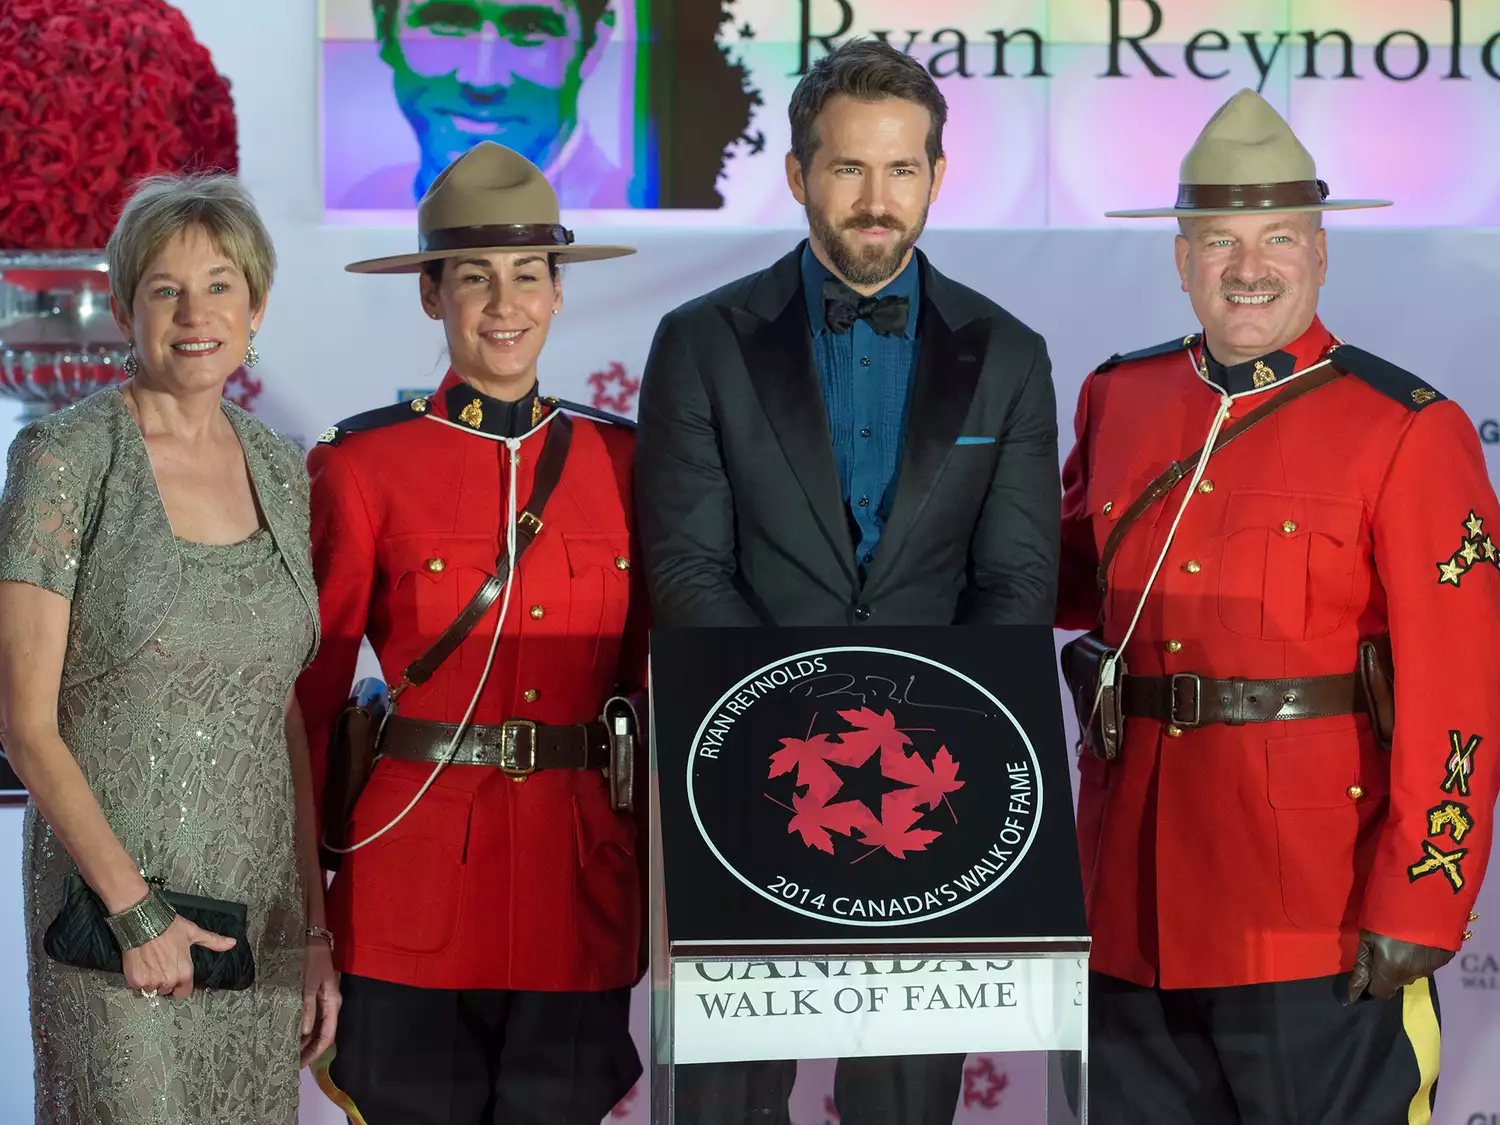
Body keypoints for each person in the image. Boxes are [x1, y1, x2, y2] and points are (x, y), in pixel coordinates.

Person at [635, 38, 1060, 1125]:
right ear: (796, 174)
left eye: (902, 170)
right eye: (848, 169)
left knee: (906, 1108)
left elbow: (1013, 589)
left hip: (934, 793)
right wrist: (801, 737)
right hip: (743, 782)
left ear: (937, 176)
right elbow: (687, 571)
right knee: (725, 1108)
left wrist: (918, 755)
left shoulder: (1009, 353)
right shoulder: (700, 341)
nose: (877, 201)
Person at [1056, 88, 1500, 1124]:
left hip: (1316, 911)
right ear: (1178, 257)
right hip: (1132, 900)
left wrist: (1423, 894)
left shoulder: (1406, 428)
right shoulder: (1120, 399)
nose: (1248, 269)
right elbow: (1061, 583)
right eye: (1219, 241)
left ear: (1321, 252)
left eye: (1278, 239)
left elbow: (1460, 693)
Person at [297, 140, 647, 1125]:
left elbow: (655, 684)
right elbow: (311, 700)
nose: (505, 303)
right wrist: (305, 908)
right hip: (409, 883)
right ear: (429, 295)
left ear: (558, 293)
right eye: (475, 278)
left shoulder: (624, 462)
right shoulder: (363, 467)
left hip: (579, 884)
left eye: (529, 276)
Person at [0, 173, 338, 1124]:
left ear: (256, 305)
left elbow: (283, 718)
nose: (196, 313)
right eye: (165, 288)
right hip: (111, 922)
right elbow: (26, 727)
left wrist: (311, 929)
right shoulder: (65, 459)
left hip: (257, 918)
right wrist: (135, 910)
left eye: (221, 284)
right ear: (122, 307)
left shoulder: (280, 463)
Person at [348, 0, 630, 208]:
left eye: (531, 29)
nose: (482, 80)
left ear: (594, 44)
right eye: (447, 22)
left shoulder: (633, 224)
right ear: (383, 27)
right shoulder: (364, 203)